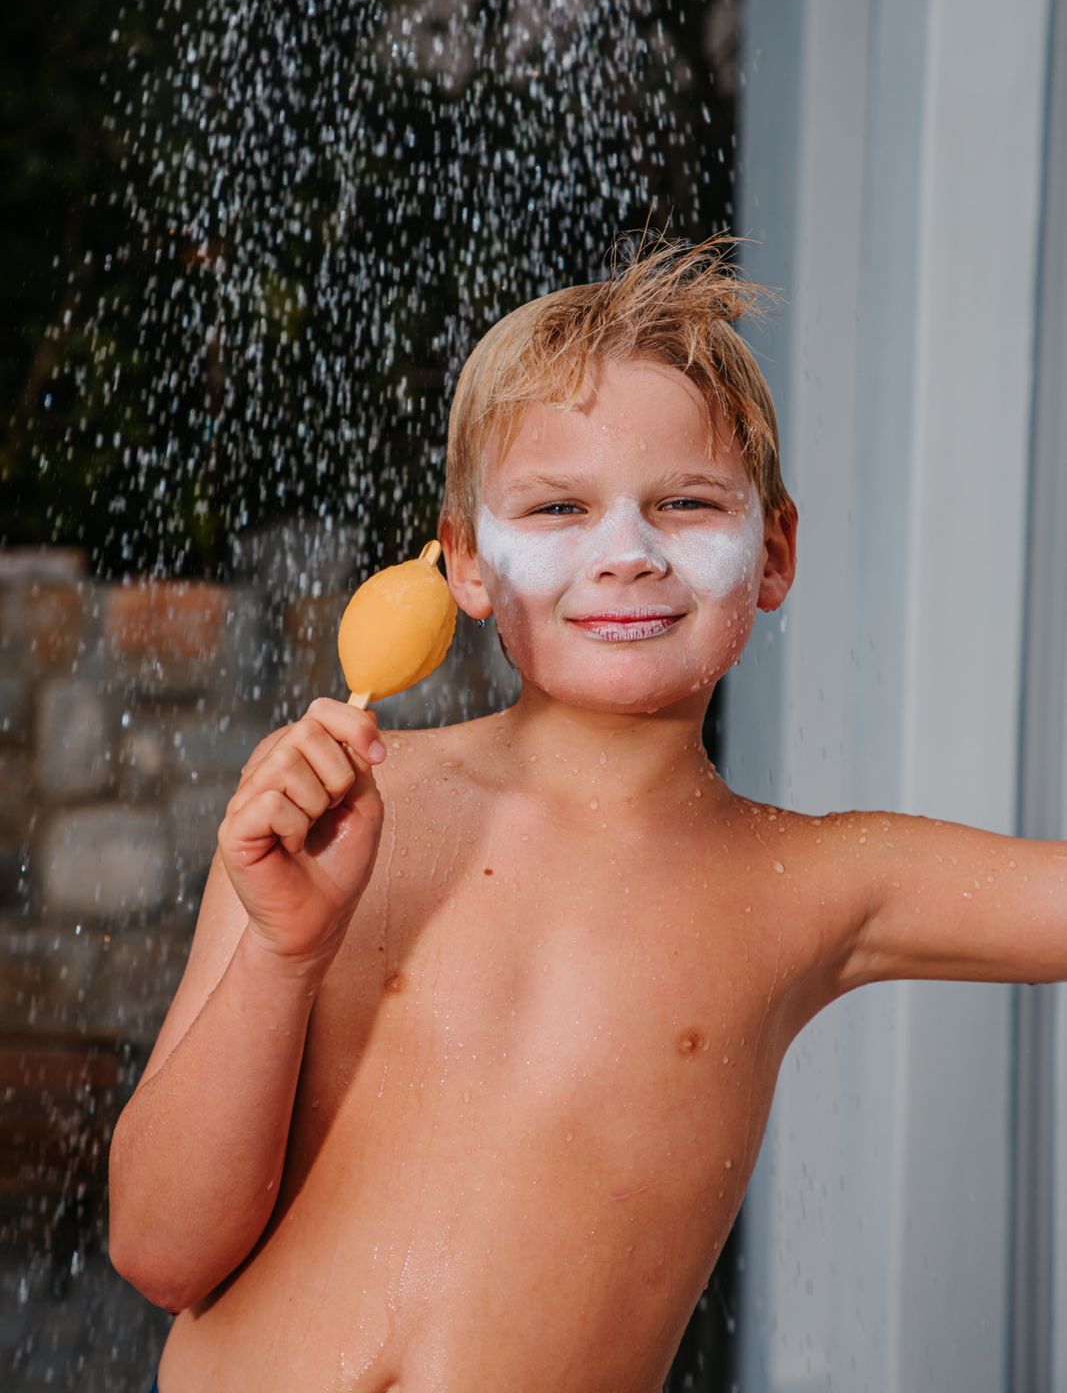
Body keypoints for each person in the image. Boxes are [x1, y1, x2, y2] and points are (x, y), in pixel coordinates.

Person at [108, 236, 1067, 1393]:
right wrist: (281, 949)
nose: (624, 553)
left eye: (684, 502)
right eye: (557, 507)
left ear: (772, 552)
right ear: (463, 563)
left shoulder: (814, 881)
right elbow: (159, 1253)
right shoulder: (335, 813)